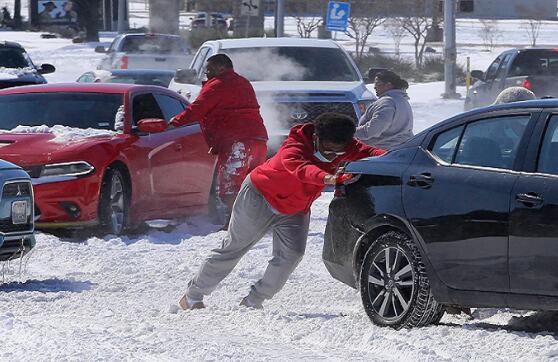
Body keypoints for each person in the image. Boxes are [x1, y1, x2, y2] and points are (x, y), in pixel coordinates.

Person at [178, 113, 386, 310]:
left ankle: (254, 299)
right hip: (259, 197)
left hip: (294, 208)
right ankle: (193, 295)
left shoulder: (348, 146)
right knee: (235, 246)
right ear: (316, 137)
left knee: (292, 255)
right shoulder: (294, 146)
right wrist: (327, 178)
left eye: (338, 153)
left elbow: (372, 153)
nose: (332, 156)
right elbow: (300, 167)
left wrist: (399, 158)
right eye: (328, 150)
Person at [170, 54, 268, 229]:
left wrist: (174, 123)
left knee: (230, 186)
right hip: (258, 140)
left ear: (222, 68)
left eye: (210, 69)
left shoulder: (216, 85)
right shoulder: (243, 82)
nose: (206, 73)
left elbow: (197, 109)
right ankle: (252, 220)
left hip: (237, 142)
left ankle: (238, 223)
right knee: (251, 184)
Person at [356, 70, 413, 150]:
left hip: (383, 152)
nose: (375, 87)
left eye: (378, 84)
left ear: (388, 85)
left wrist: (350, 133)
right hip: (399, 149)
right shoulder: (401, 100)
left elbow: (372, 130)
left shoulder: (387, 102)